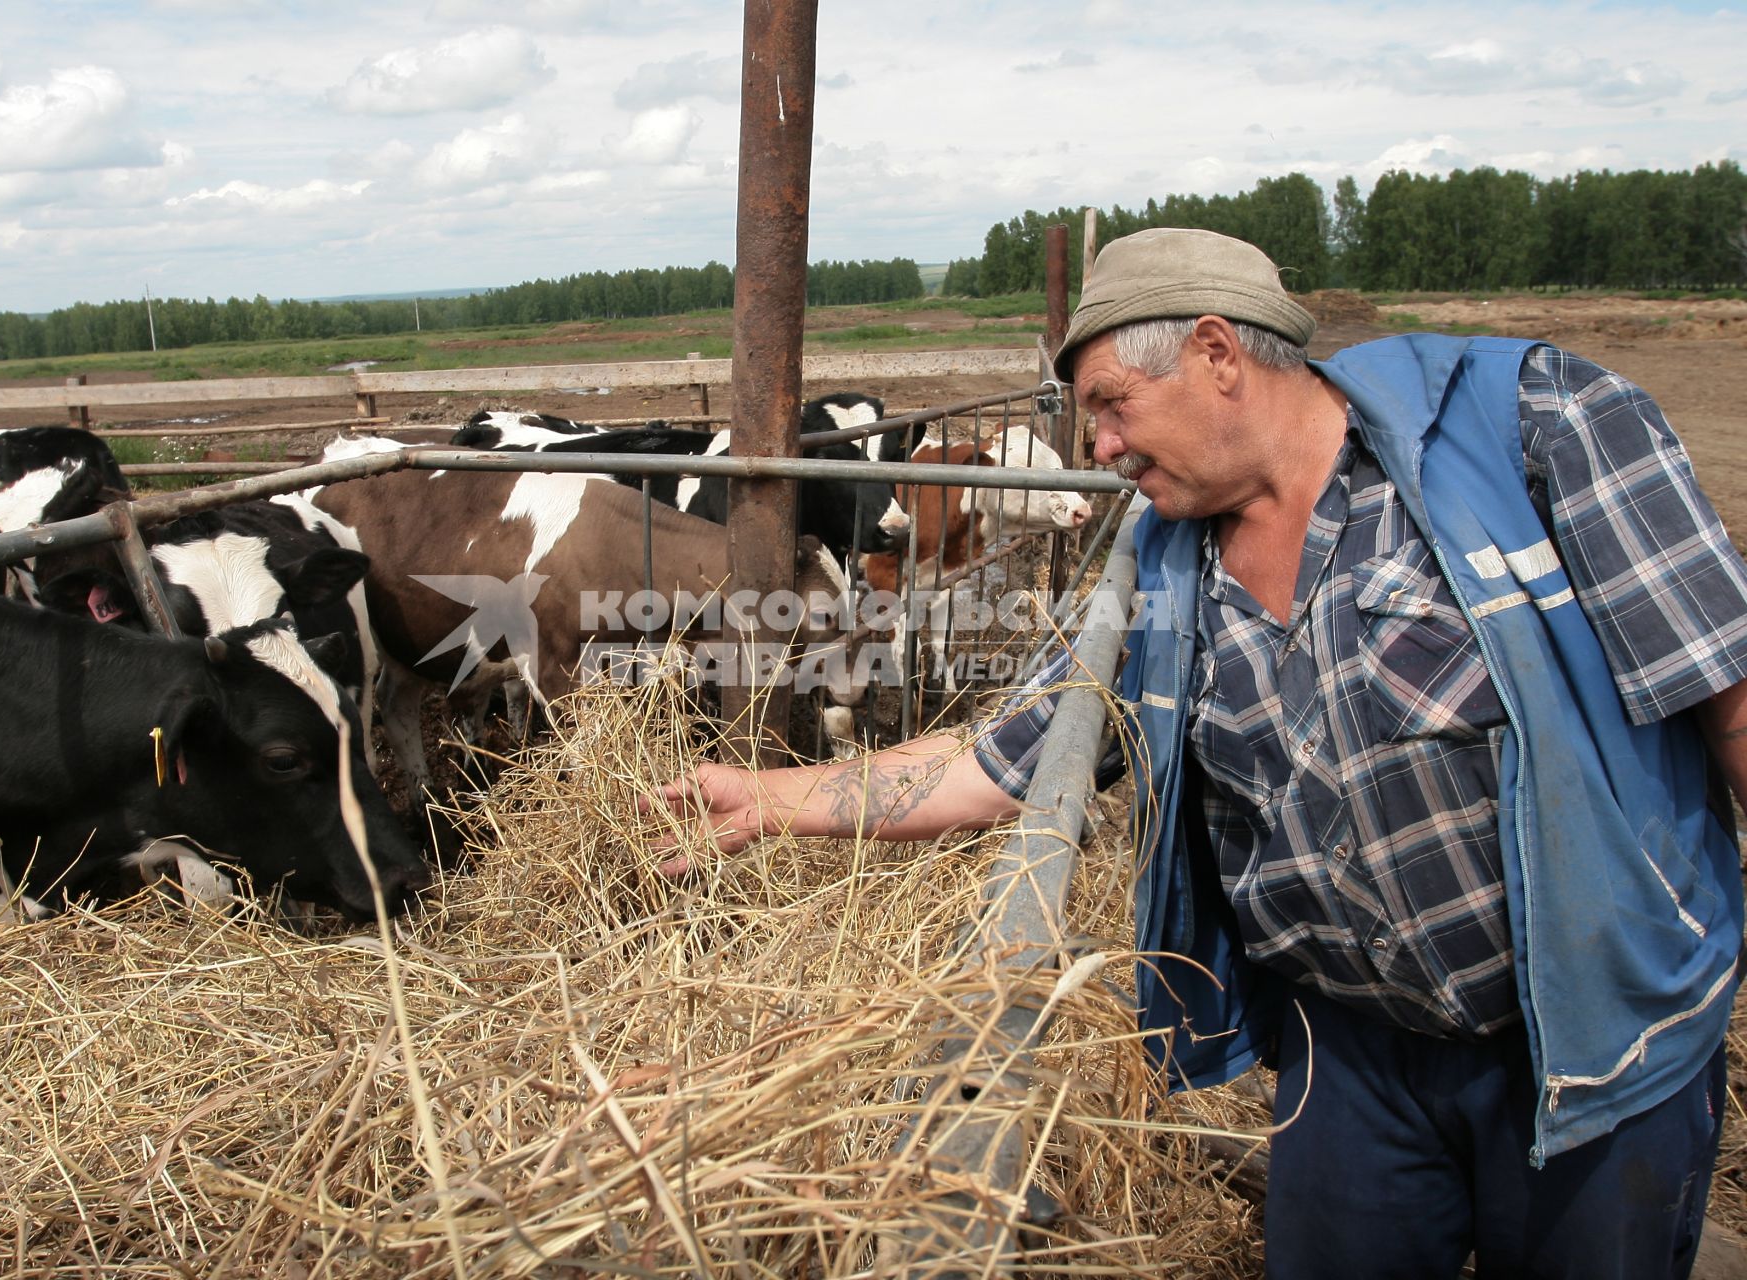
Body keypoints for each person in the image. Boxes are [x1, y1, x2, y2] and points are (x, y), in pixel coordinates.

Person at [645, 226, 1747, 1278]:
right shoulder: (1162, 563)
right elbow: (1005, 757)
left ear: (1217, 354)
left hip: (1598, 1039)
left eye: (1112, 408)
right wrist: (771, 799)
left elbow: (1728, 694)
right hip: (1348, 1050)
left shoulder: (1531, 427)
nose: (1102, 450)